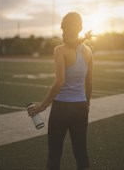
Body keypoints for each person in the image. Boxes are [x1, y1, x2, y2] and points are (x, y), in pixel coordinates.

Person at [27, 12, 93, 170]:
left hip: (62, 108)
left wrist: (43, 106)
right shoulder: (89, 51)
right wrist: (87, 103)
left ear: (63, 28)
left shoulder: (60, 50)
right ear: (80, 27)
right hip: (81, 107)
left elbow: (60, 81)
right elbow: (89, 82)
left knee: (54, 155)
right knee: (81, 154)